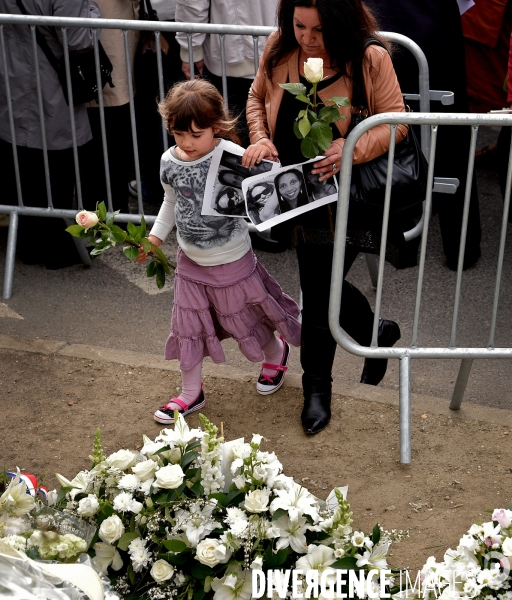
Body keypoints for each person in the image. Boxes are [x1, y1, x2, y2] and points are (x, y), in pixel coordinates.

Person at [242, 0, 407, 435]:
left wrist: (350, 147)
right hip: (296, 192)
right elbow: (257, 96)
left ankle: (317, 390)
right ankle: (375, 331)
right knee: (319, 286)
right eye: (299, 26)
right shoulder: (281, 46)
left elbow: (397, 123)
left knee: (317, 292)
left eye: (318, 30)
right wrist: (260, 138)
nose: (308, 38)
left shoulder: (369, 56)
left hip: (348, 196)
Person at [136, 79, 301, 424]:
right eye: (179, 134)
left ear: (217, 127)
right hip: (190, 262)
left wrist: (265, 154)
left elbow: (275, 185)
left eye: (196, 135)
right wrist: (154, 239)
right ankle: (190, 392)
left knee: (245, 319)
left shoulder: (235, 157)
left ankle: (275, 352)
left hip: (232, 260)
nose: (186, 143)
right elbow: (171, 201)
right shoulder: (169, 160)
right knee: (187, 326)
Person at [364, 0, 482, 271]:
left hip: (385, 25)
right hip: (415, 27)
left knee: (394, 127)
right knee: (445, 133)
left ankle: (403, 242)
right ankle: (460, 246)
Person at [0, 0, 100, 269]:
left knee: (21, 161)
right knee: (56, 166)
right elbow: (79, 38)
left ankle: (26, 242)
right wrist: (94, 10)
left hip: (12, 73)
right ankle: (52, 247)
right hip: (49, 82)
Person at [175, 0, 278, 145]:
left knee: (234, 142)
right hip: (274, 51)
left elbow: (193, 5)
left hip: (229, 56)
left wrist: (190, 49)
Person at [80, 0, 140, 215]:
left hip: (103, 36)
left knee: (103, 136)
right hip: (106, 40)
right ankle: (110, 213)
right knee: (109, 136)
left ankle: (103, 212)